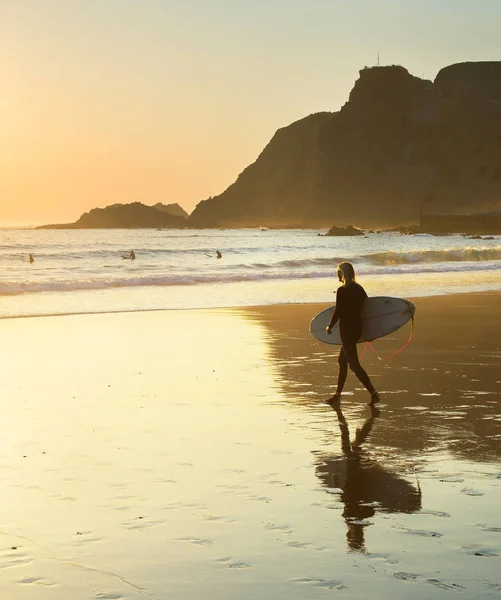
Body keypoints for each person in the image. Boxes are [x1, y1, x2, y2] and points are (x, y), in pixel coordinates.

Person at [326, 261, 380, 406]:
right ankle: (337, 396)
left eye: (338, 273)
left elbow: (338, 312)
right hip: (357, 329)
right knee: (342, 361)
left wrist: (329, 326)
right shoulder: (359, 289)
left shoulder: (342, 291)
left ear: (342, 274)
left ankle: (374, 394)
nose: (337, 276)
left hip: (347, 330)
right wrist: (370, 332)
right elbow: (368, 310)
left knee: (354, 365)